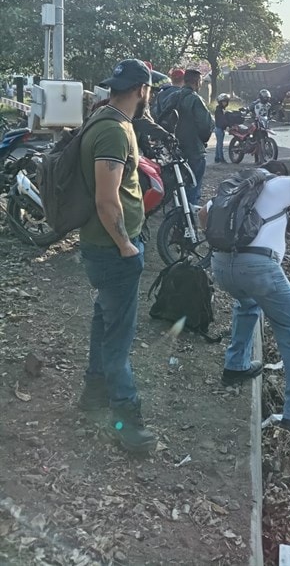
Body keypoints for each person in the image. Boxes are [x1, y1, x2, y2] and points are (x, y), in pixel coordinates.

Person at [200, 161, 290, 435]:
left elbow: (204, 215)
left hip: (221, 266)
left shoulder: (234, 192)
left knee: (248, 303)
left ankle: (236, 364)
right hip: (258, 268)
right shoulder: (283, 184)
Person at [77, 59, 157, 454]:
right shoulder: (112, 132)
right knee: (118, 340)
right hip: (111, 250)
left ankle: (92, 394)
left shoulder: (107, 119)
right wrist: (127, 246)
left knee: (103, 320)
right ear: (142, 90)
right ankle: (126, 421)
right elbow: (107, 201)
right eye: (150, 89)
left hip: (102, 247)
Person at [174, 68, 214, 205]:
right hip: (194, 149)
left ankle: (177, 214)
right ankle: (190, 216)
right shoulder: (196, 99)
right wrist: (203, 140)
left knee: (178, 185)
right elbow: (205, 125)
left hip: (175, 150)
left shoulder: (173, 97)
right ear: (197, 82)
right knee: (193, 185)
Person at [214, 93, 230, 163]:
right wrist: (226, 125)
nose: (225, 103)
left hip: (220, 128)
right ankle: (221, 158)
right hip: (219, 128)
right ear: (220, 102)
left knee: (218, 144)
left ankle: (217, 157)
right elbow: (221, 120)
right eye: (224, 101)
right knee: (220, 144)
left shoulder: (222, 110)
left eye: (226, 101)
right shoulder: (218, 110)